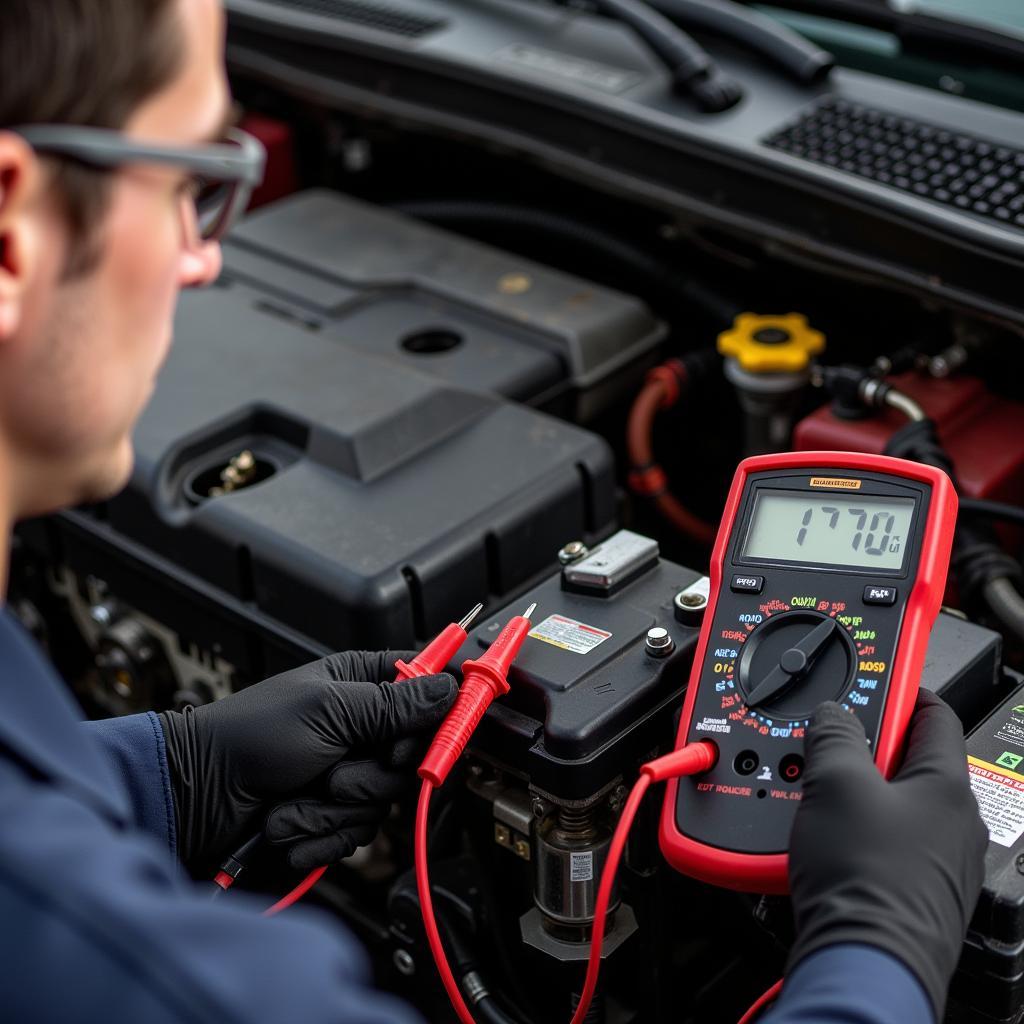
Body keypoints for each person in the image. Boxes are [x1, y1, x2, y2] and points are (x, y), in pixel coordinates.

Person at [0, 2, 988, 1022]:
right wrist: (879, 947)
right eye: (189, 186)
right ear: (10, 233)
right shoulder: (159, 979)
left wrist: (168, 778)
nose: (203, 256)